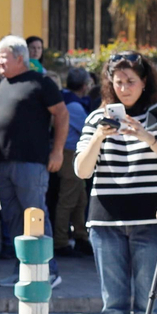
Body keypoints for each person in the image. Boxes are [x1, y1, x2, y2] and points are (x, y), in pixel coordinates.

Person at [75, 51, 157, 314]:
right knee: (113, 304)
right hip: (106, 221)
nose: (124, 87)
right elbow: (82, 171)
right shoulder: (95, 119)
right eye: (118, 81)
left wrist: (145, 135)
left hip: (151, 219)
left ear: (145, 81)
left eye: (131, 81)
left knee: (150, 303)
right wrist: (100, 137)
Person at [0, 36, 67, 284]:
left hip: (31, 163)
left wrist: (57, 151)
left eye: (3, 57)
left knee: (35, 216)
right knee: (12, 218)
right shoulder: (2, 84)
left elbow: (62, 114)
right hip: (2, 164)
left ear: (19, 57)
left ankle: (48, 270)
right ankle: (23, 270)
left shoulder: (41, 82)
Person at [55, 66, 93, 255]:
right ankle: (60, 241)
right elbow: (89, 129)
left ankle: (81, 236)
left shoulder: (67, 100)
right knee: (68, 200)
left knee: (80, 199)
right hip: (70, 154)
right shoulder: (75, 106)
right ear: (85, 86)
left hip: (71, 153)